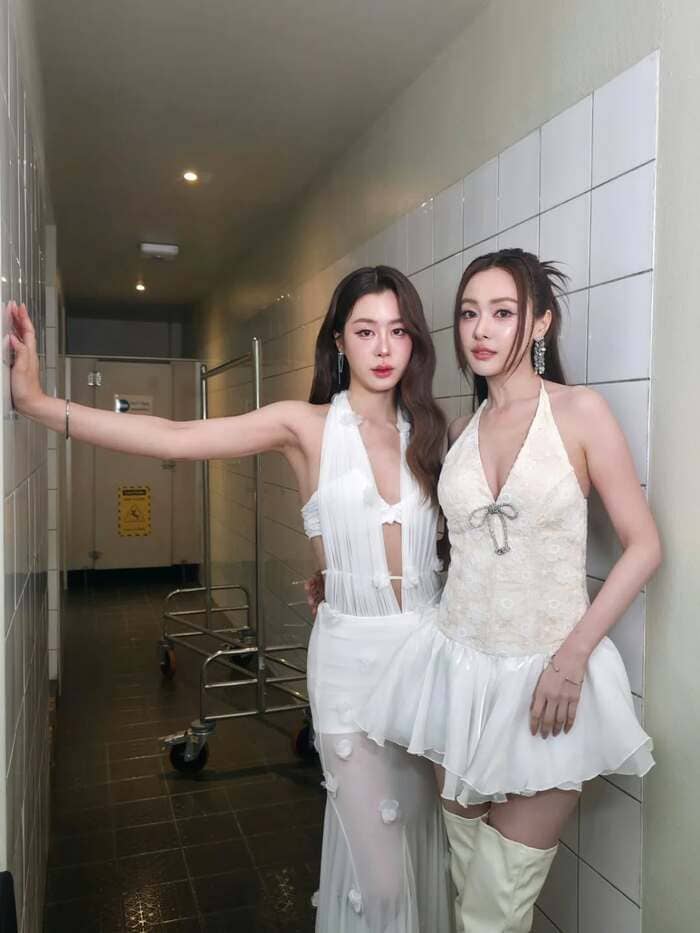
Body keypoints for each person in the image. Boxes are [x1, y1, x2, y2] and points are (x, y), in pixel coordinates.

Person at [8, 265, 454, 933]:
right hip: (352, 670)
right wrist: (40, 403)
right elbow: (176, 437)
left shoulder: (433, 433)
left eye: (398, 331)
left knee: (428, 850)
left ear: (415, 340)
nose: (384, 347)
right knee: (382, 880)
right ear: (339, 341)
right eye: (366, 331)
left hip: (427, 663)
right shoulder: (305, 426)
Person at [356, 249, 660, 933]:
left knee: (492, 910)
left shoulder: (580, 412)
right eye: (469, 314)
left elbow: (644, 545)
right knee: (469, 889)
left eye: (502, 312)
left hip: (548, 681)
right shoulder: (459, 432)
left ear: (541, 322)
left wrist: (572, 659)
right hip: (458, 679)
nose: (481, 330)